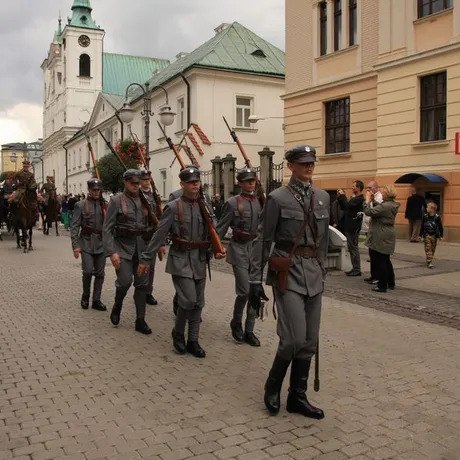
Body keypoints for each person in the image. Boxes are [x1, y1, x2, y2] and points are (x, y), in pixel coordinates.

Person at [248, 144, 329, 419]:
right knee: (292, 339)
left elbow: (324, 240)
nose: (309, 167)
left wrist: (323, 269)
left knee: (309, 340)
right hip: (288, 273)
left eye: (312, 162)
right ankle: (272, 386)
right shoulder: (277, 198)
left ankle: (297, 397)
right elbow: (263, 240)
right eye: (303, 162)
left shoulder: (322, 197)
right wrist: (256, 280)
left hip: (314, 274)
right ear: (291, 166)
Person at [138, 166, 226, 358]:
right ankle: (178, 332)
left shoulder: (205, 205)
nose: (195, 185)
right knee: (188, 300)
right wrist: (146, 258)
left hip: (200, 260)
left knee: (198, 303)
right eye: (191, 182)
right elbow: (159, 234)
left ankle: (193, 340)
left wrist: (216, 249)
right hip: (180, 259)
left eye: (197, 182)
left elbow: (213, 231)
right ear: (182, 184)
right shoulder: (173, 206)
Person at [103, 169, 164, 335]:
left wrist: (159, 244)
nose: (136, 186)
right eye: (133, 183)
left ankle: (140, 319)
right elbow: (107, 229)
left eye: (138, 183)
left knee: (142, 284)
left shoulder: (147, 201)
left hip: (143, 248)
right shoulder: (116, 201)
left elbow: (155, 226)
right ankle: (117, 305)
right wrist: (111, 252)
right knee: (124, 281)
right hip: (122, 248)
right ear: (125, 182)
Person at [216, 168, 262, 347]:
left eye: (253, 180)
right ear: (240, 183)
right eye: (247, 180)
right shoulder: (232, 203)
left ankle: (249, 330)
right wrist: (215, 247)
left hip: (255, 250)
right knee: (244, 291)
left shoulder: (260, 201)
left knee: (254, 292)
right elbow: (221, 227)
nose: (251, 183)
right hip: (238, 249)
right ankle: (236, 322)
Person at [70, 178, 107, 311]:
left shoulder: (105, 205)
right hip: (86, 242)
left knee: (100, 274)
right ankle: (85, 296)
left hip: (102, 244)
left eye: (98, 190)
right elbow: (74, 227)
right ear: (89, 190)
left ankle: (96, 300)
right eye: (94, 190)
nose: (96, 192)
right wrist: (75, 246)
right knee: (87, 271)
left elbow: (109, 226)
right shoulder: (80, 205)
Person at [363, 184, 400, 292]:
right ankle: (390, 282)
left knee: (380, 260)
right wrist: (374, 202)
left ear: (387, 194)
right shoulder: (391, 205)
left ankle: (382, 285)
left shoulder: (385, 206)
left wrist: (367, 201)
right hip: (387, 233)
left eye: (383, 192)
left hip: (380, 234)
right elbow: (379, 209)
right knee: (386, 260)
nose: (382, 194)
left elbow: (369, 212)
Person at [139, 170, 161, 306]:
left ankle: (149, 292)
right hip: (141, 235)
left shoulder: (154, 196)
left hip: (152, 234)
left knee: (151, 267)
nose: (147, 182)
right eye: (144, 180)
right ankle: (141, 289)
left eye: (148, 180)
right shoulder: (137, 195)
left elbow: (159, 214)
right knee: (142, 264)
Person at [337, 181, 365, 276]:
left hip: (353, 227)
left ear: (359, 188)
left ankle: (357, 269)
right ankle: (355, 268)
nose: (352, 188)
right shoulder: (354, 198)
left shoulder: (359, 199)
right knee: (351, 248)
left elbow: (347, 206)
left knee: (353, 248)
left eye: (353, 186)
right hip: (349, 226)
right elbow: (344, 207)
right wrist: (340, 197)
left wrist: (342, 196)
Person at [362, 181, 383, 285]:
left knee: (376, 254)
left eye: (370, 187)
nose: (368, 190)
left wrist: (367, 201)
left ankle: (378, 276)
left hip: (375, 229)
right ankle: (373, 274)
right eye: (367, 188)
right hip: (369, 228)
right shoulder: (371, 197)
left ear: (376, 188)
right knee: (371, 253)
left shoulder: (379, 198)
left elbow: (371, 211)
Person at [420, 202, 443, 268]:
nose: (426, 208)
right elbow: (422, 226)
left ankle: (429, 259)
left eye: (428, 207)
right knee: (428, 248)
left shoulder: (437, 217)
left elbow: (440, 226)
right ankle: (429, 261)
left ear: (432, 209)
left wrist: (441, 235)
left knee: (432, 249)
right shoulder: (425, 216)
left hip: (434, 235)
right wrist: (420, 235)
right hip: (427, 234)